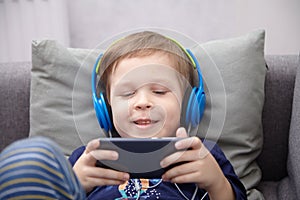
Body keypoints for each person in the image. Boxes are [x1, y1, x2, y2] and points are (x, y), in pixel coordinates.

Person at [0, 31, 247, 200]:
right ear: (104, 108)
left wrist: (217, 183)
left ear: (189, 105)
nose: (142, 103)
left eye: (159, 91)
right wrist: (73, 186)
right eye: (128, 93)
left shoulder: (201, 153)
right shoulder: (88, 157)